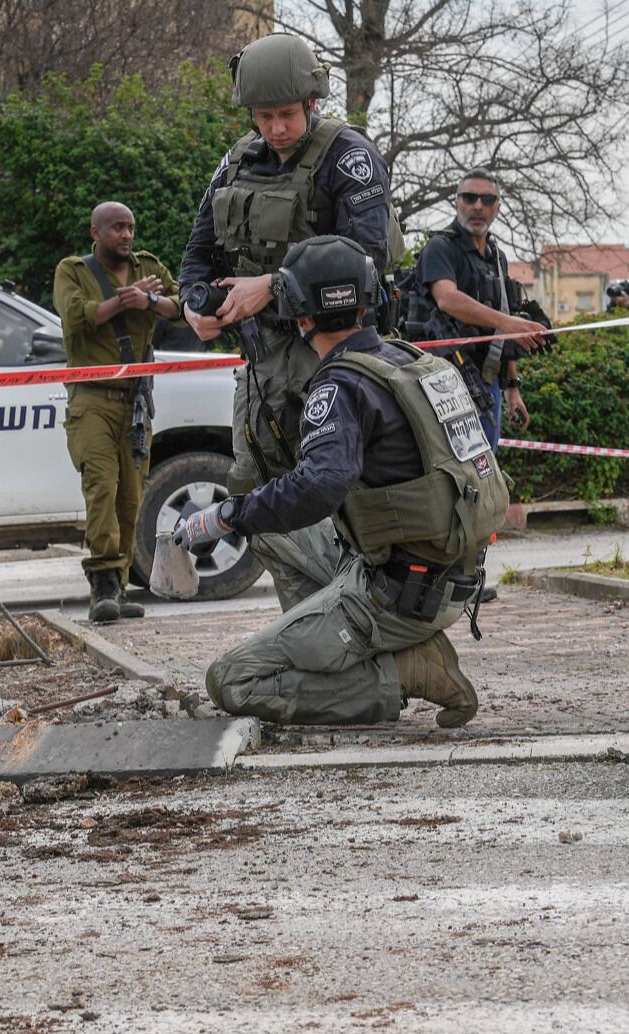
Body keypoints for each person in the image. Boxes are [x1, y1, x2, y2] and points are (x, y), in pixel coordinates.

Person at [171, 236, 508, 728]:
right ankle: (330, 638)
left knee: (232, 680)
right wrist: (246, 517)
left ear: (297, 314)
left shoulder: (341, 385)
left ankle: (403, 671)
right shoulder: (408, 360)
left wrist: (225, 515)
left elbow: (318, 487)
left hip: (393, 595)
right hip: (446, 574)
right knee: (266, 525)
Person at [179, 31, 399, 611]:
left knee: (339, 496)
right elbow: (200, 248)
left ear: (312, 103)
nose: (275, 128)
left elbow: (368, 260)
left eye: (286, 115)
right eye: (264, 116)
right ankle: (305, 627)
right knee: (257, 499)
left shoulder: (347, 157)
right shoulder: (237, 160)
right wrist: (193, 304)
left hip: (334, 357)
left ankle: (362, 630)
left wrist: (273, 288)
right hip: (260, 366)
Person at [52, 202, 184, 622]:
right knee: (102, 488)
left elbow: (182, 309)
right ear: (96, 232)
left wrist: (148, 301)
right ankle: (103, 586)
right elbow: (76, 317)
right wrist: (123, 302)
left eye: (130, 227)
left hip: (136, 402)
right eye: (116, 229)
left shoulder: (149, 266)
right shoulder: (74, 270)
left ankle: (121, 585)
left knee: (131, 496)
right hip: (92, 399)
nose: (126, 235)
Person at [415, 170, 548, 449]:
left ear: (497, 208)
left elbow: (503, 331)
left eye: (488, 199)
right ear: (456, 202)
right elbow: (447, 299)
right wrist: (509, 322)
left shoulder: (497, 257)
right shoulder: (440, 247)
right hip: (443, 385)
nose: (478, 206)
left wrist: (513, 388)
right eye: (470, 197)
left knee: (486, 469)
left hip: (486, 384)